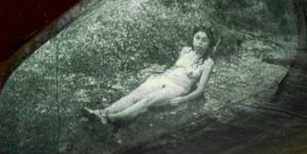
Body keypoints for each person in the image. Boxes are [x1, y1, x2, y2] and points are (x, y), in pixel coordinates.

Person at [83, 28, 216, 125]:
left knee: (147, 100)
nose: (199, 42)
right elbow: (175, 68)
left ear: (209, 44)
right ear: (193, 38)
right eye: (197, 38)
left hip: (178, 88)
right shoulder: (185, 50)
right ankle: (102, 112)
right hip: (165, 79)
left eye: (204, 40)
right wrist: (159, 75)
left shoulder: (208, 63)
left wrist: (183, 99)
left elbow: (200, 90)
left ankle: (111, 119)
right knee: (134, 95)